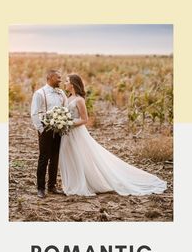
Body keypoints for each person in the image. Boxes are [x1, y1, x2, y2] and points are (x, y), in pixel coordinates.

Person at [59, 74, 167, 196]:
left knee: (79, 157)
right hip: (66, 134)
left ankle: (80, 185)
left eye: (67, 81)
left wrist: (69, 123)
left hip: (76, 133)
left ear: (72, 84)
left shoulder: (79, 100)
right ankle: (70, 184)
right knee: (68, 156)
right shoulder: (68, 98)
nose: (65, 83)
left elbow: (84, 119)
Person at [31, 69, 67, 198]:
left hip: (59, 129)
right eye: (58, 77)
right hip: (45, 129)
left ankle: (52, 186)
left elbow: (65, 108)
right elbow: (34, 113)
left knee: (55, 158)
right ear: (50, 78)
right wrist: (41, 129)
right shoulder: (40, 93)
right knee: (43, 158)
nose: (60, 80)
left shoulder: (61, 93)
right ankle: (40, 188)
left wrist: (64, 123)